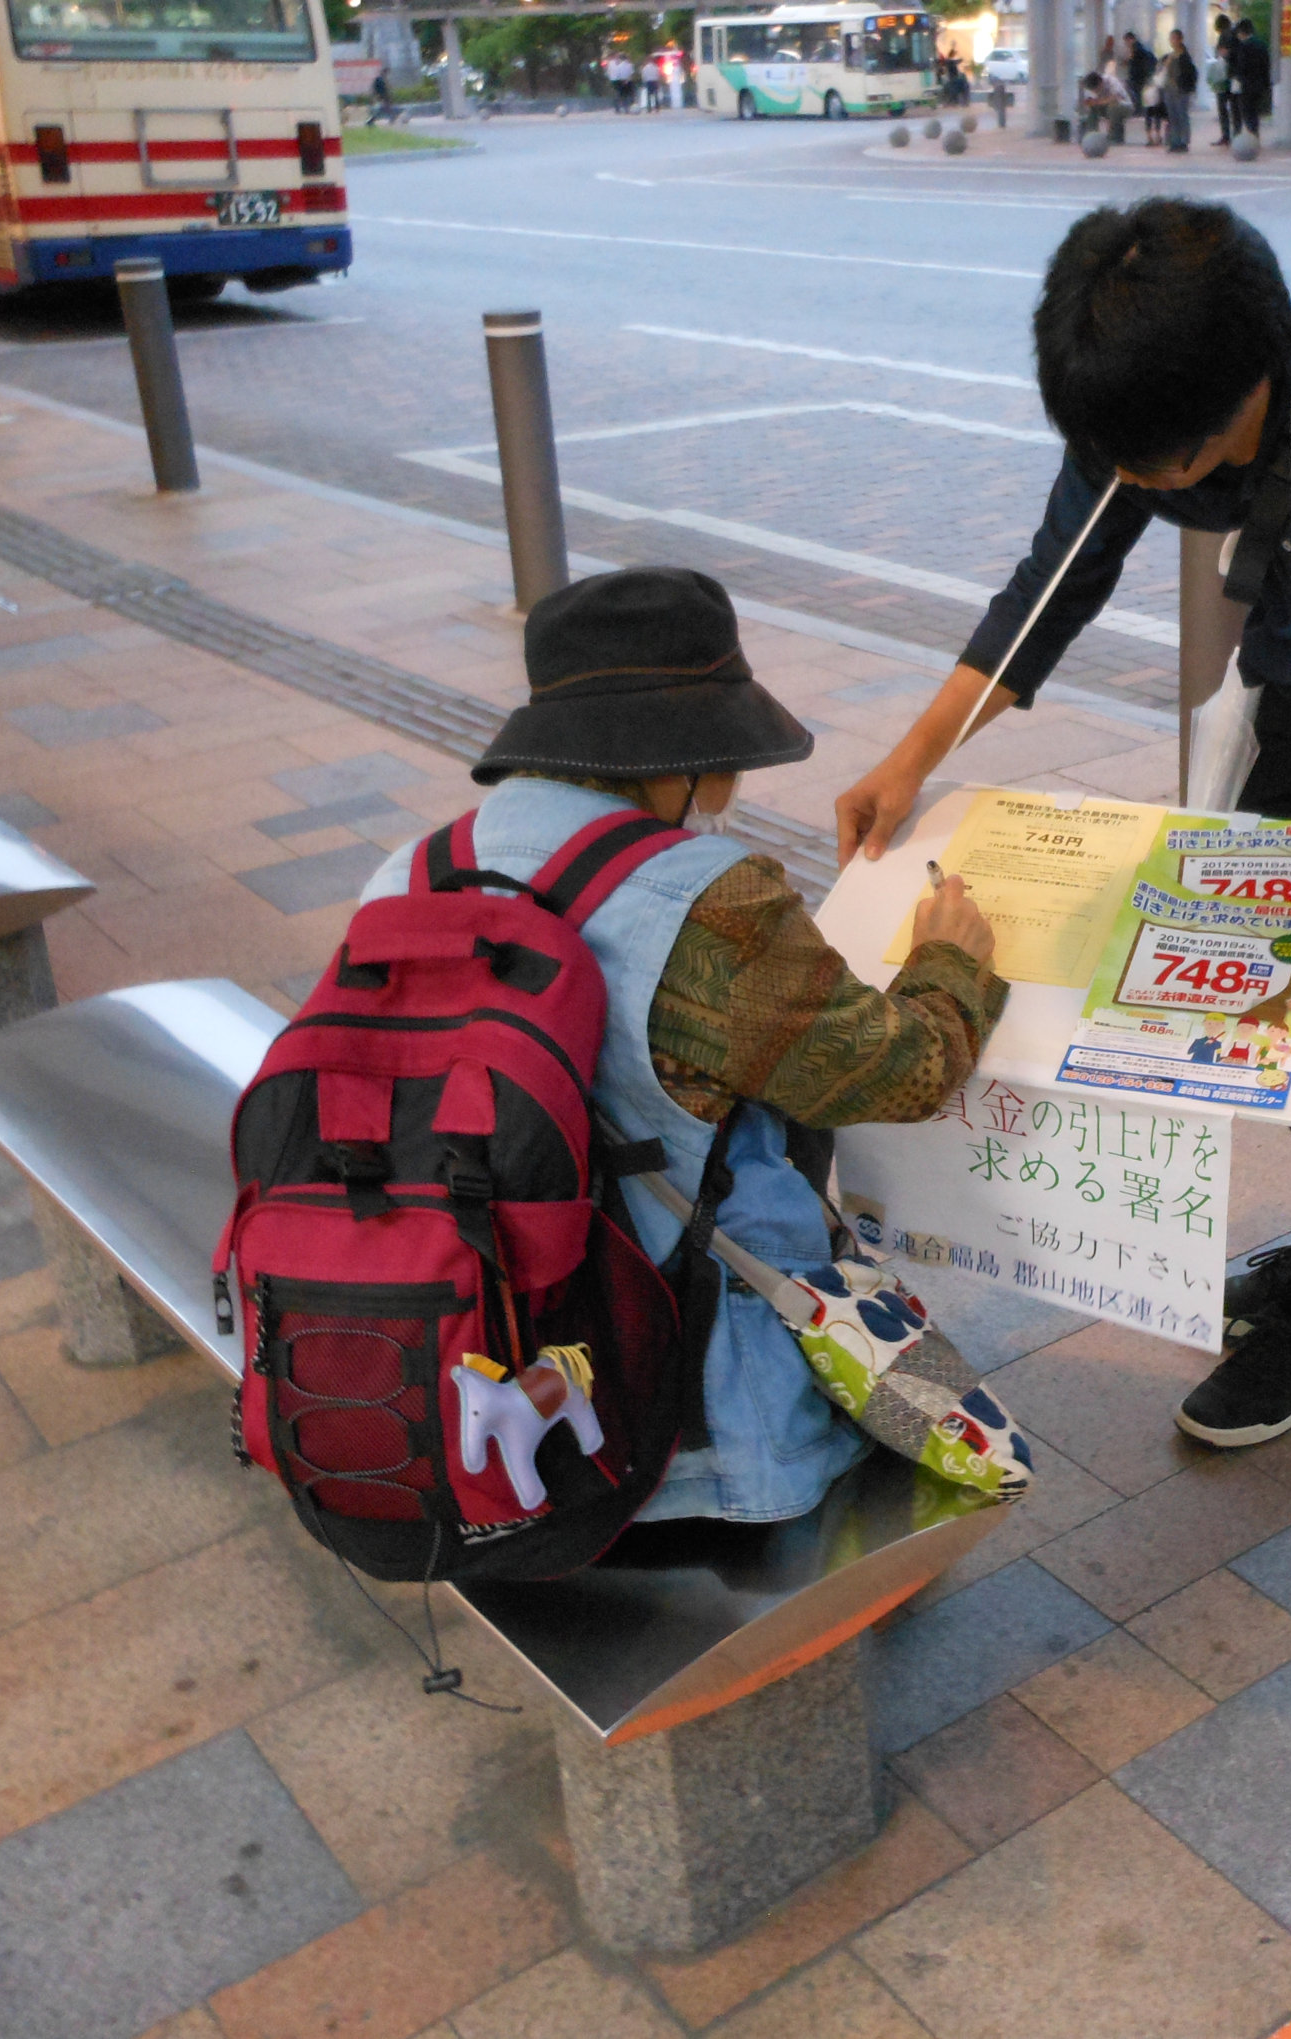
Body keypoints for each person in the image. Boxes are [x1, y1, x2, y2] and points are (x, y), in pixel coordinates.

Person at [833, 200, 1291, 1449]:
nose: (1138, 484)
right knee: (1281, 985)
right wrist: (908, 759)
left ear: (1244, 392)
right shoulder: (1141, 407)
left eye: (1158, 468)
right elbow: (1046, 593)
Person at [361, 568, 1008, 1522]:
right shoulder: (708, 901)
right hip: (701, 1420)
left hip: (472, 1328)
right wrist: (948, 960)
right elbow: (901, 1068)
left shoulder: (407, 873)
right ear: (687, 759)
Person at [1228, 16, 1269, 136]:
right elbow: (1266, 66)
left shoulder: (1243, 47)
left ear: (1241, 32)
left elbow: (1240, 67)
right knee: (1255, 113)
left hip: (1246, 85)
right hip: (1259, 84)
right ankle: (1255, 135)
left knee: (1247, 113)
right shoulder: (1261, 45)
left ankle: (1250, 137)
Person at [1162, 28, 1198, 151]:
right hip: (1170, 89)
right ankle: (1174, 141)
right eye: (1171, 38)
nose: (1172, 41)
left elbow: (1188, 74)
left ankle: (1183, 141)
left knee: (1181, 115)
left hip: (1181, 90)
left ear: (1180, 40)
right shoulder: (1170, 56)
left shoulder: (1184, 57)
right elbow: (1165, 70)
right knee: (1172, 116)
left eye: (1174, 38)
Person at [1208, 12, 1237, 143]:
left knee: (1222, 107)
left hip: (1224, 76)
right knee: (1235, 106)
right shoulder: (1235, 35)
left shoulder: (1224, 36)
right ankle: (1237, 133)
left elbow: (1221, 53)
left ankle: (1226, 135)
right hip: (1234, 75)